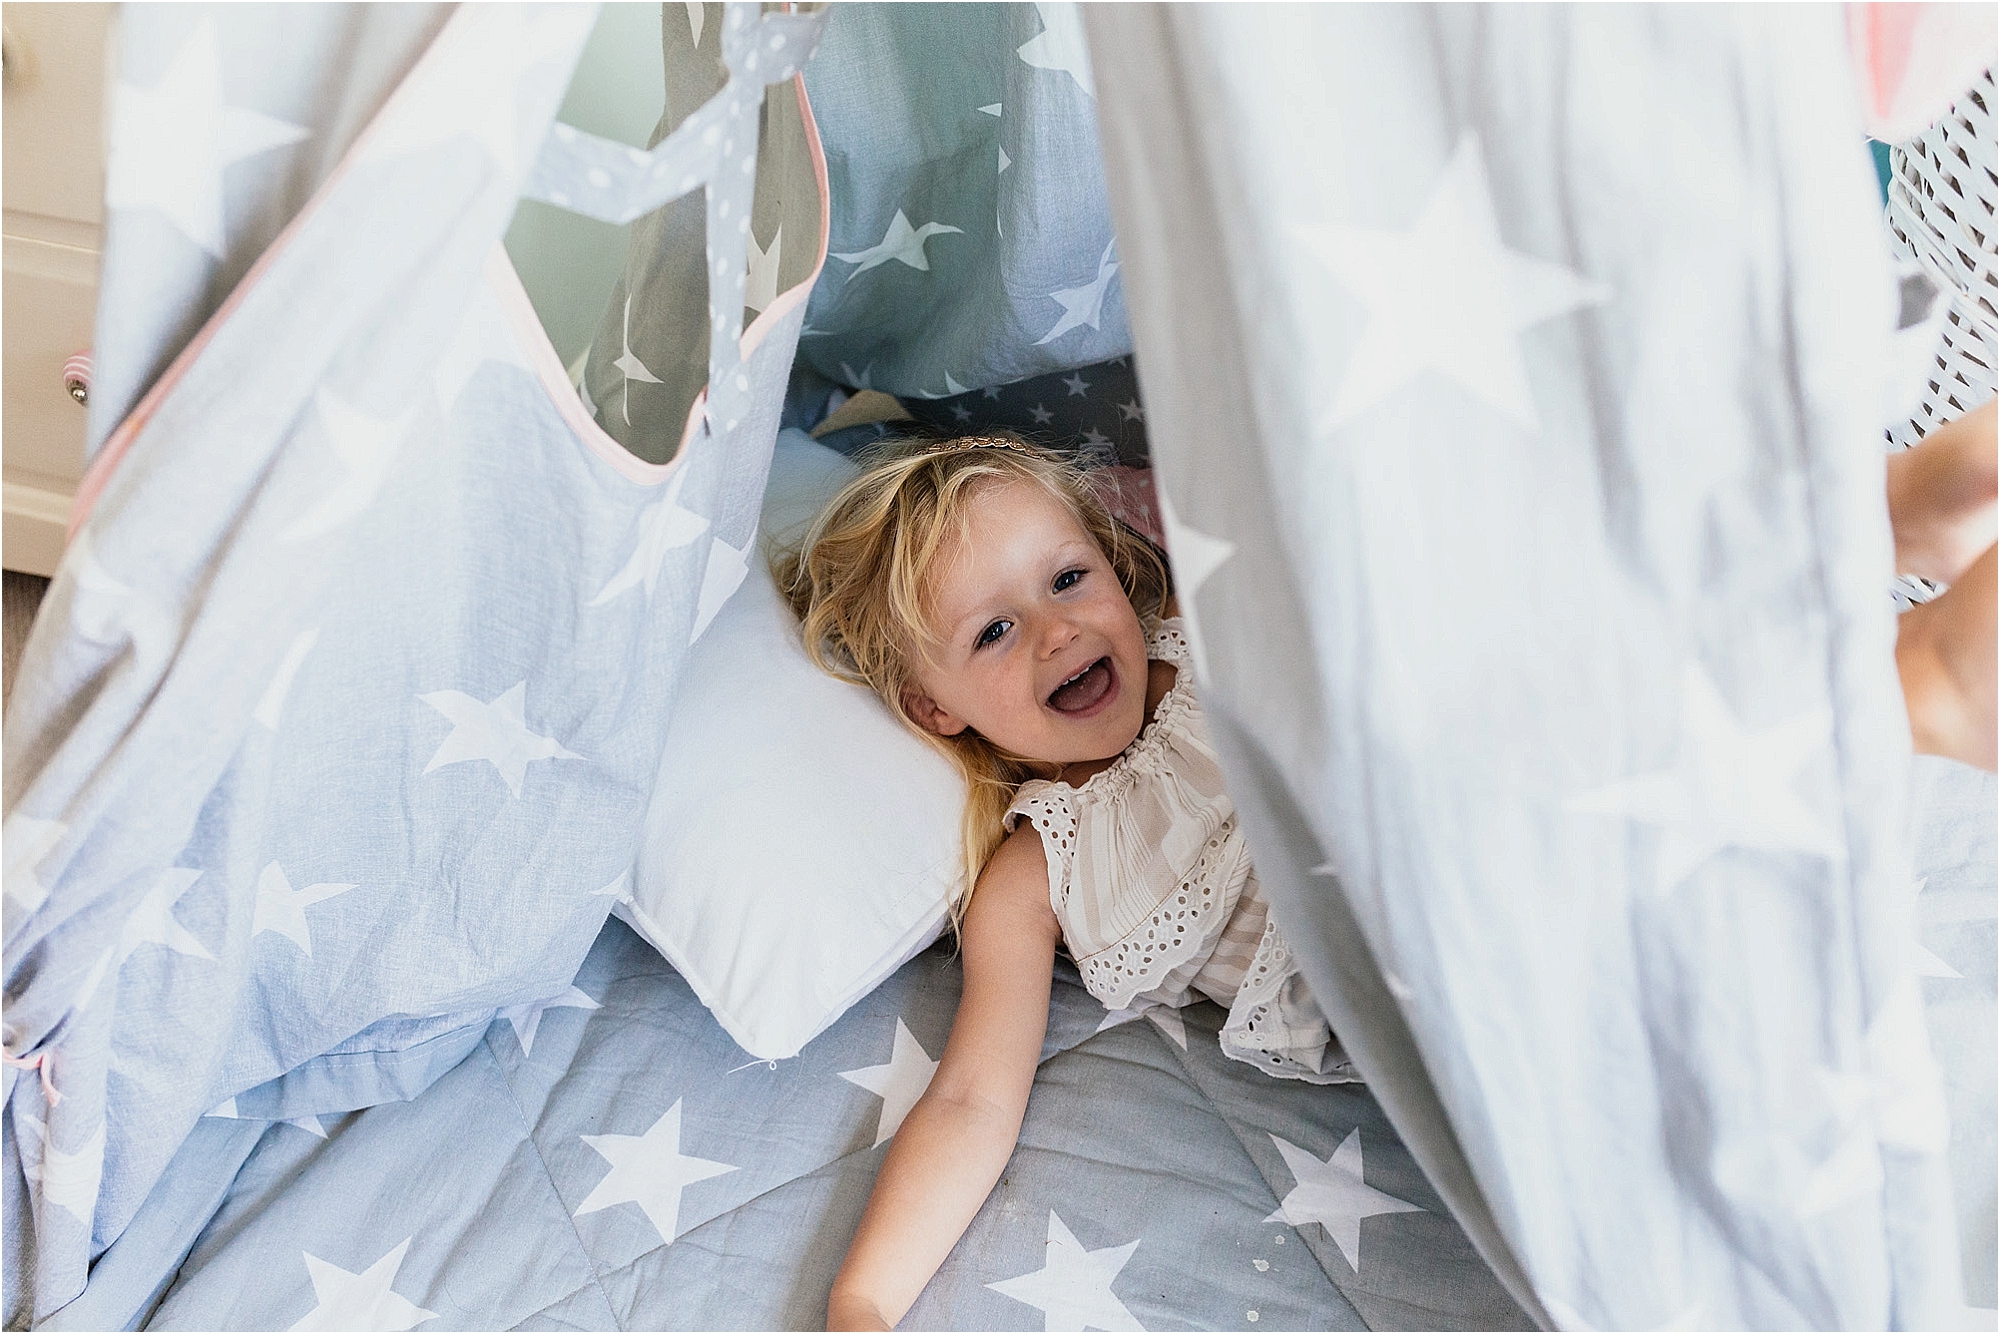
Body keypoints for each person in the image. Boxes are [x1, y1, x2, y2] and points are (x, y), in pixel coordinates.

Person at [779, 415, 1995, 1331]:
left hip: (1451, 800)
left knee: (1552, 657)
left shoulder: (1209, 634)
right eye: (993, 630)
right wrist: (862, 1303)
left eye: (1065, 577)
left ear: (1110, 561)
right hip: (1423, 960)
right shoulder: (1033, 869)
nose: (1055, 628)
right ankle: (1895, 645)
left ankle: (1878, 547)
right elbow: (972, 1099)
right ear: (933, 707)